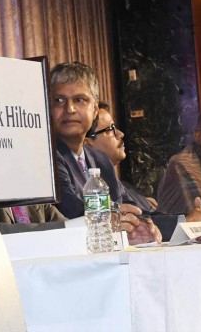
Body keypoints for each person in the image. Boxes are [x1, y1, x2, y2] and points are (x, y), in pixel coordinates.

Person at [49, 62, 164, 243]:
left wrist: (141, 224)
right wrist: (118, 215)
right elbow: (73, 210)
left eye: (79, 100)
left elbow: (130, 206)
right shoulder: (47, 157)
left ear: (95, 110)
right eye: (59, 100)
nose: (69, 109)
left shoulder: (99, 159)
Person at [84, 103, 157, 211]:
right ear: (88, 144)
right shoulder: (93, 190)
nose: (120, 134)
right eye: (110, 129)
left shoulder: (125, 186)